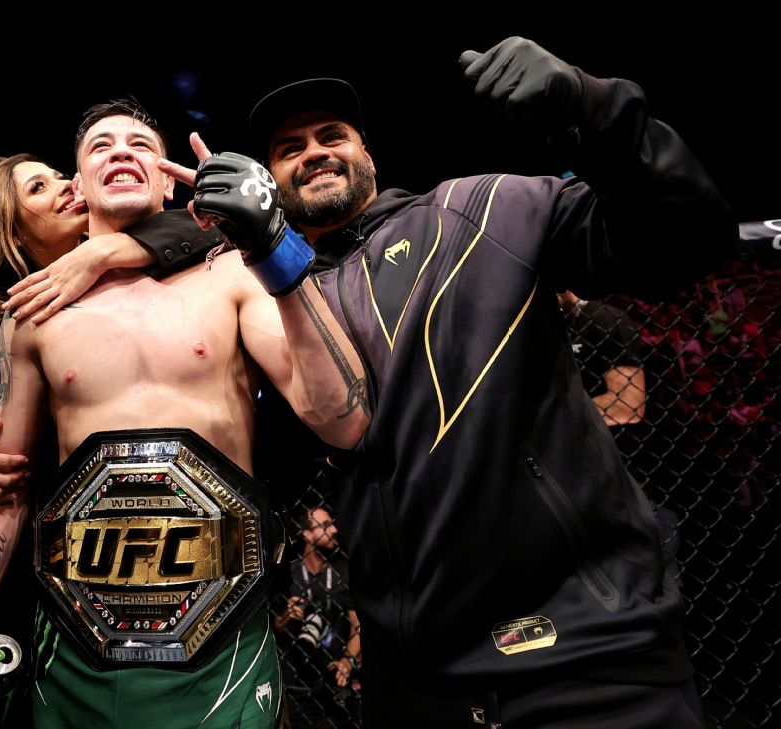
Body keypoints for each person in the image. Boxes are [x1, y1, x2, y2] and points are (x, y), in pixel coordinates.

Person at [151, 37, 734, 729]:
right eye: (289, 148)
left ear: (368, 155)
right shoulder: (266, 300)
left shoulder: (480, 211)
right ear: (270, 183)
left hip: (583, 653)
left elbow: (686, 239)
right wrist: (176, 237)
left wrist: (594, 104)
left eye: (332, 135)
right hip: (414, 680)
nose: (313, 152)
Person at [0, 100, 371, 729]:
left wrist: (273, 245)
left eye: (140, 144)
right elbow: (0, 492)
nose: (121, 150)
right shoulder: (35, 313)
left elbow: (342, 419)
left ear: (167, 180)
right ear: (78, 186)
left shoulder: (233, 275)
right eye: (100, 146)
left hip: (223, 637)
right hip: (76, 637)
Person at [273, 504, 362, 729]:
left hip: (335, 677)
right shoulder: (289, 574)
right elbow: (275, 628)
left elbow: (358, 626)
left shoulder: (343, 571)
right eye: (325, 525)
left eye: (333, 524)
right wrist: (287, 616)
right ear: (307, 534)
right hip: (298, 683)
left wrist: (347, 661)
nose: (334, 530)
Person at [559, 290, 648, 427]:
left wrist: (556, 421)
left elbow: (627, 403)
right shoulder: (553, 326)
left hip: (604, 437)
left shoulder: (607, 319)